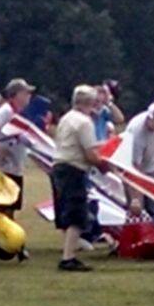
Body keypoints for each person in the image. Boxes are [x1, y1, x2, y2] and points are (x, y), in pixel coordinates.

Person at [52, 85, 107, 271]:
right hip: (73, 169)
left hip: (60, 167)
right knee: (77, 214)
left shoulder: (66, 118)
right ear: (89, 103)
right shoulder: (84, 122)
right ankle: (68, 258)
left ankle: (69, 253)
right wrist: (104, 165)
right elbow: (90, 154)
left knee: (68, 212)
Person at [0, 78, 36, 215]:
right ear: (16, 94)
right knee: (4, 208)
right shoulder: (6, 111)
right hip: (6, 169)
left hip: (15, 168)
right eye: (25, 93)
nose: (28, 96)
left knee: (11, 207)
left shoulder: (17, 113)